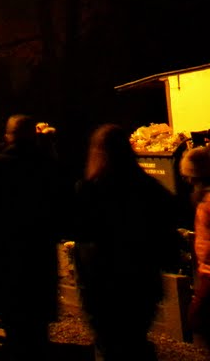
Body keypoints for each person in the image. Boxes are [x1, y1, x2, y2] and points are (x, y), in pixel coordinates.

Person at [73, 124, 179, 361]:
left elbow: (80, 234)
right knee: (135, 340)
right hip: (141, 282)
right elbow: (169, 228)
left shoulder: (90, 189)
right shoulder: (148, 188)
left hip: (103, 286)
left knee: (110, 346)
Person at [0, 114, 64, 361]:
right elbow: (62, 209)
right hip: (39, 256)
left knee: (12, 323)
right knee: (37, 327)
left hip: (3, 254)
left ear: (8, 135)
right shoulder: (49, 166)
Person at [181, 145, 210, 350]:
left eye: (189, 176)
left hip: (209, 272)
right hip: (206, 270)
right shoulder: (203, 200)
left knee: (197, 320)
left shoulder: (207, 203)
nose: (187, 181)